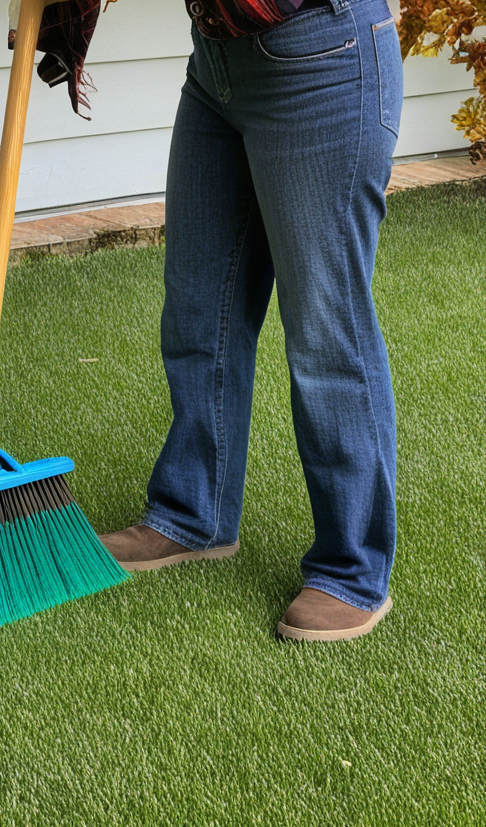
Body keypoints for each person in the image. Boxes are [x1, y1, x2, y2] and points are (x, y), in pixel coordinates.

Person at [100, 0, 403, 642]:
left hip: (320, 59)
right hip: (216, 61)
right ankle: (193, 514)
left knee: (326, 332)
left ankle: (351, 570)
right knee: (198, 308)